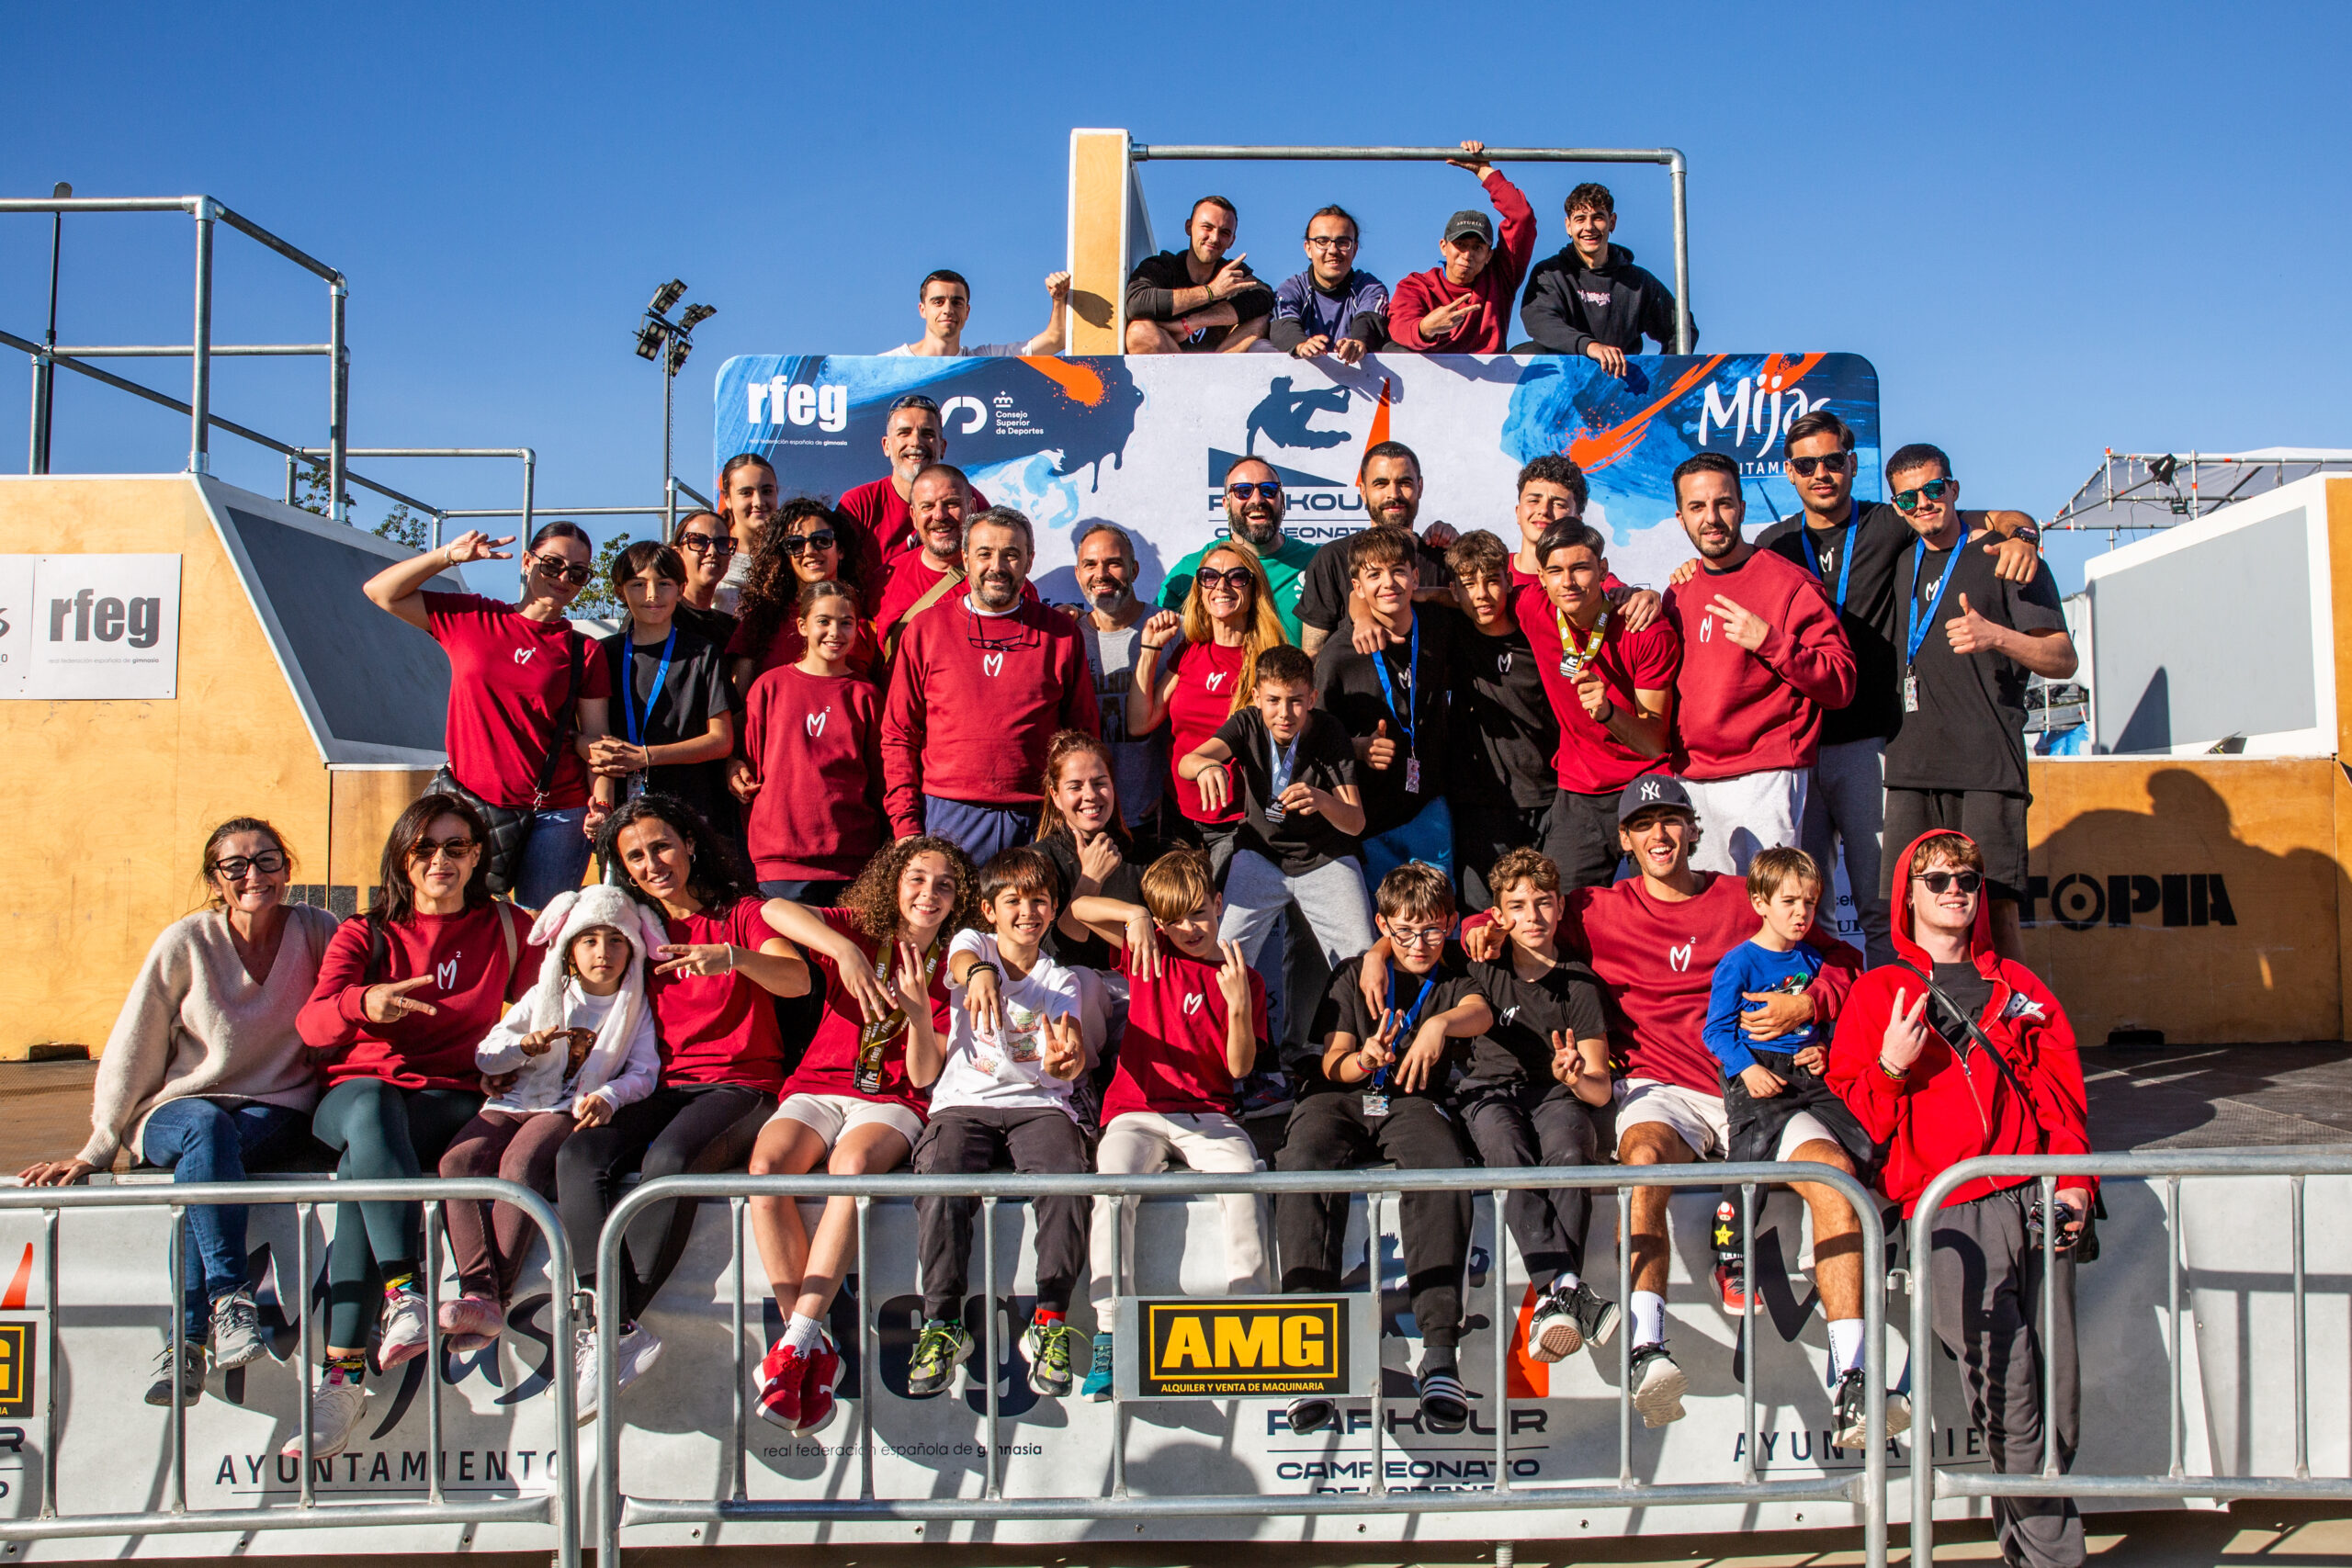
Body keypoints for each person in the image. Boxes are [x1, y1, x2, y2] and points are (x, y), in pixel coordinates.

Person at [1556, 779, 1862, 1431]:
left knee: (1833, 1173)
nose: (1659, 836)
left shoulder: (1739, 898)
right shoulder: (1593, 909)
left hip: (1757, 1085)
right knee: (1641, 1162)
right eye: (1644, 824)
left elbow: (1842, 959)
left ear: (1694, 831)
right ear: (1624, 840)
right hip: (1661, 1089)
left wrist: (1811, 1002)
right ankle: (1647, 1349)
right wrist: (1470, 931)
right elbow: (1508, 917)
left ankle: (1855, 1377)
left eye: (1671, 821)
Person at [1827, 829, 2094, 1568]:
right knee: (2007, 1393)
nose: (1955, 890)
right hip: (1951, 1214)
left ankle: (2027, 1548)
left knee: (2059, 1395)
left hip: (2036, 1198)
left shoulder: (2023, 987)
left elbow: (2065, 1102)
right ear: (1907, 894)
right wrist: (1889, 1064)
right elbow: (1861, 1125)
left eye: (1969, 879)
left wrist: (2074, 1182)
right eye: (1938, 877)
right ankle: (2056, 1559)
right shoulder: (1880, 991)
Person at [21, 819, 337, 1408]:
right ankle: (228, 1297)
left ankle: (187, 1343)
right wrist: (100, 1144)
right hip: (178, 1109)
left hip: (273, 1107)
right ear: (216, 882)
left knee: (211, 1153)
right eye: (235, 866)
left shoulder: (319, 929)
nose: (253, 876)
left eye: (266, 860)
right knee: (204, 1131)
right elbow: (133, 1045)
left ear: (288, 868)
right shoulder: (186, 940)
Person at [292, 795, 543, 1457]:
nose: (441, 860)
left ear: (478, 856)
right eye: (425, 848)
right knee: (373, 1111)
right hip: (356, 1094)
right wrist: (363, 1000)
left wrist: (519, 1052)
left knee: (362, 1173)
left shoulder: (509, 927)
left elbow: (563, 994)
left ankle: (342, 1377)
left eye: (456, 846)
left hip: (451, 1097)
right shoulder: (366, 933)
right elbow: (313, 1024)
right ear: (402, 858)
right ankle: (404, 1292)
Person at [1751, 411, 2046, 966]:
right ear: (1789, 473)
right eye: (1807, 464)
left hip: (1875, 748)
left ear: (1852, 465)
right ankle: (1826, 1029)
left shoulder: (1893, 519)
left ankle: (1900, 1031)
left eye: (1833, 461)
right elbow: (1724, 572)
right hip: (1798, 746)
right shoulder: (1774, 543)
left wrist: (2024, 534)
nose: (1822, 473)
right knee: (1800, 907)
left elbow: (1999, 517)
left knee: (1885, 907)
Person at [563, 795, 805, 1420]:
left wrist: (733, 957)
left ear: (691, 843)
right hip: (659, 1083)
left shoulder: (741, 914)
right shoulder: (636, 928)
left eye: (662, 845)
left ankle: (614, 1322)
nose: (653, 862)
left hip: (741, 1086)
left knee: (668, 1160)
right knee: (578, 1154)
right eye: (635, 856)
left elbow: (796, 977)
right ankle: (610, 1325)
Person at [752, 838, 978, 1431]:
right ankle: (804, 1340)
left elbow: (926, 1076)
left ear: (958, 899)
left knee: (851, 1166)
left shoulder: (957, 962)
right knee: (765, 1168)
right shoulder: (858, 928)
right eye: (917, 879)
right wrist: (841, 953)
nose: (929, 893)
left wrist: (920, 1015)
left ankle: (797, 1343)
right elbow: (770, 910)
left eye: (944, 884)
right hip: (818, 1084)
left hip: (894, 1099)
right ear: (893, 883)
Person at [1278, 862, 1490, 1437]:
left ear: (1448, 925)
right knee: (1301, 1166)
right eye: (1404, 932)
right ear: (1382, 926)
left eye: (1430, 931)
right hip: (1342, 1096)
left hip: (1410, 1100)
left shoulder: (1454, 973)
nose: (1419, 944)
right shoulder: (1354, 973)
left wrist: (1437, 1024)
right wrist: (1366, 1058)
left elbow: (1482, 1010)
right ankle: (1303, 1357)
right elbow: (1332, 1059)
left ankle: (1441, 1355)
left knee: (1441, 1170)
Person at [1069, 849, 1272, 1401]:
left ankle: (1248, 1326)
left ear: (1218, 904)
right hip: (1137, 1111)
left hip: (1208, 1113)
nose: (1190, 928)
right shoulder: (1149, 949)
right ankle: (1111, 1333)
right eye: (1176, 919)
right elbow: (1081, 909)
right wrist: (1134, 917)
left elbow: (1239, 1069)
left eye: (1200, 914)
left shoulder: (1243, 978)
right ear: (1161, 923)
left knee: (1244, 1181)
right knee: (1112, 1184)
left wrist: (1235, 1007)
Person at [436, 885, 662, 1348]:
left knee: (521, 1165)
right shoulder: (547, 992)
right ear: (569, 947)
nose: (604, 952)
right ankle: (480, 1292)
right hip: (516, 1098)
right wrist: (523, 1047)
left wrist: (609, 1095)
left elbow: (644, 1071)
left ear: (634, 946)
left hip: (567, 1108)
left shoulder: (636, 1005)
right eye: (590, 940)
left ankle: (488, 1301)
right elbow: (488, 1054)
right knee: (457, 1163)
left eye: (616, 940)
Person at [904, 847, 1092, 1400]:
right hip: (965, 1101)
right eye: (1012, 900)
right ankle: (942, 1323)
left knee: (1065, 1181)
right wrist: (982, 974)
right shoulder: (973, 944)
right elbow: (961, 961)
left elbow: (1071, 1043)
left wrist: (1068, 1060)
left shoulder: (1061, 979)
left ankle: (1051, 1321)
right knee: (940, 1177)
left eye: (1039, 901)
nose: (1026, 911)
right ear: (989, 910)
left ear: (1055, 909)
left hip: (1038, 1104)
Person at [1879, 445, 2076, 961]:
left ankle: (2014, 1033)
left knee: (1994, 905)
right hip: (1911, 764)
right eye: (1908, 496)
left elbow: (2062, 658)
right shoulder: (1900, 561)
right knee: (1910, 908)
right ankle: (1922, 1033)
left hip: (1987, 764)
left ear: (1955, 490)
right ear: (1896, 504)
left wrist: (1997, 637)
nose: (1923, 503)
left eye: (1933, 489)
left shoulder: (2004, 555)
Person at [363, 524, 614, 909]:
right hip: (469, 807)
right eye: (553, 564)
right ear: (527, 562)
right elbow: (381, 592)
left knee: (540, 932)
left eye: (578, 572)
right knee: (456, 917)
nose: (564, 578)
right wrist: (449, 555)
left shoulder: (584, 651)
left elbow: (597, 739)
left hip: (557, 814)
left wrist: (601, 806)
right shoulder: (473, 617)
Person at [1657, 453, 1854, 875]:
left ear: (1742, 508)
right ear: (1680, 517)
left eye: (1723, 503)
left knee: (1767, 919)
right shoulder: (1678, 591)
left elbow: (1840, 683)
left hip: (1765, 776)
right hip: (1691, 781)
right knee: (1710, 920)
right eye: (1697, 507)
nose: (1711, 518)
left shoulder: (1789, 585)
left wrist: (1770, 642)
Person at [1456, 849, 1618, 1360]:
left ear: (1561, 908)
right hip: (1488, 1093)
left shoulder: (1580, 983)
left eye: (1543, 903)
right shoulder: (1481, 968)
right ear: (1498, 916)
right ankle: (1566, 1286)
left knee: (1571, 1152)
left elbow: (1601, 1088)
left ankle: (1554, 1297)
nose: (1534, 917)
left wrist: (1575, 1075)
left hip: (1554, 1093)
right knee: (1507, 1150)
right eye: (1519, 906)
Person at [882, 506, 1101, 865]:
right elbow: (899, 734)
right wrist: (906, 827)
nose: (997, 566)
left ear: (1030, 561)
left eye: (1011, 554)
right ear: (966, 557)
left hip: (1039, 818)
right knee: (954, 922)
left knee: (1039, 923)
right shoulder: (925, 630)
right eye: (984, 553)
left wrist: (1075, 816)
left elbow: (1082, 736)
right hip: (949, 814)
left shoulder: (1060, 633)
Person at [1180, 642, 1374, 1015]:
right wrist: (1207, 767)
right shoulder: (1247, 723)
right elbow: (1190, 760)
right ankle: (1223, 1059)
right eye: (1273, 700)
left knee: (1363, 963)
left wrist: (1321, 800)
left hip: (1325, 859)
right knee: (1224, 959)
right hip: (1260, 855)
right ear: (1256, 697)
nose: (1284, 713)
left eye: (1296, 701)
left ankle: (1360, 1058)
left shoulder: (1330, 731)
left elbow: (1355, 822)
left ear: (1313, 697)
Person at [1520, 521, 1679, 889]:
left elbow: (1655, 741)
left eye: (1580, 568)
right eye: (1556, 571)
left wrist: (1609, 713)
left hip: (1646, 784)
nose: (1568, 582)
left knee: (1666, 902)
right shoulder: (1532, 607)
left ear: (1603, 571)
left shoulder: (1646, 630)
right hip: (1580, 791)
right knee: (1561, 912)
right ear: (1541, 577)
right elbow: (1473, 598)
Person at [1312, 528, 1460, 886]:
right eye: (1373, 574)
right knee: (1385, 927)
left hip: (1429, 808)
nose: (1388, 583)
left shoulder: (1440, 629)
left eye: (1397, 570)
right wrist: (1357, 748)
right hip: (1369, 820)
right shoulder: (1339, 654)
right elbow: (1313, 738)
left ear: (1415, 577)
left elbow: (1472, 602)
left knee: (1436, 922)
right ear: (1357, 588)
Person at [1128, 544, 1285, 863]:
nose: (1221, 586)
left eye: (1237, 577)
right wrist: (1149, 650)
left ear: (1255, 588)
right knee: (1181, 913)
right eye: (1209, 577)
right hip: (1180, 818)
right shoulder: (1189, 651)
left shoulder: (1272, 660)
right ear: (1199, 589)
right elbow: (1139, 723)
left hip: (1241, 823)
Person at [732, 580, 885, 902]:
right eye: (824, 621)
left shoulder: (866, 695)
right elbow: (751, 766)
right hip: (781, 863)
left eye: (846, 623)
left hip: (852, 862)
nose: (835, 632)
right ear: (802, 626)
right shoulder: (769, 687)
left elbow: (879, 780)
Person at [1442, 530, 1560, 910]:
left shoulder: (1540, 633)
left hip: (1548, 799)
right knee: (1483, 918)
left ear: (1510, 580)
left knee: (1547, 914)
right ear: (1454, 591)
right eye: (1468, 584)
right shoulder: (1450, 633)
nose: (1482, 594)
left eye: (1492, 581)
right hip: (1478, 808)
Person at [591, 541, 737, 836]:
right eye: (638, 584)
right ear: (620, 591)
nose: (652, 594)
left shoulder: (702, 653)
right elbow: (595, 741)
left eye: (664, 583)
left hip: (692, 813)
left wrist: (645, 756)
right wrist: (602, 806)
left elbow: (721, 741)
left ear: (681, 589)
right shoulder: (602, 653)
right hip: (622, 816)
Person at [1294, 442, 1457, 655]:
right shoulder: (1332, 558)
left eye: (1404, 482)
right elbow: (1313, 653)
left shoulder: (1443, 556)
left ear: (1420, 487)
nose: (1393, 494)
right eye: (1381, 484)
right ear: (1363, 491)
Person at [1519, 182, 1692, 373]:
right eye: (1580, 219)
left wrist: (1660, 374)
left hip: (1619, 385)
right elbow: (1540, 322)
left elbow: (1684, 330)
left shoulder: (1638, 282)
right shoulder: (1550, 273)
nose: (1589, 227)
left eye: (1598, 217)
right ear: (1568, 226)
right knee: (1522, 354)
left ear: (1612, 222)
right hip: (1562, 383)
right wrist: (1590, 347)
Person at [1387, 141, 1536, 355]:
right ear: (1443, 247)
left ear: (1489, 255)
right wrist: (1426, 328)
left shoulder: (1500, 278)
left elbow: (1522, 217)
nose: (1467, 255)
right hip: (1430, 382)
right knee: (1392, 349)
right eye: (1460, 245)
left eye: (1477, 247)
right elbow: (1398, 328)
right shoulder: (1416, 286)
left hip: (1491, 383)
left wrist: (1484, 171)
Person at [1161, 457, 1320, 643]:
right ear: (1226, 504)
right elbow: (1157, 635)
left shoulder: (1318, 561)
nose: (1257, 499)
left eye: (1268, 490)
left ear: (1282, 500)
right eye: (1243, 491)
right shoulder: (1193, 569)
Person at [1070, 522, 1164, 835]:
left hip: (1153, 818)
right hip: (1083, 818)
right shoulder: (1065, 638)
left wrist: (1174, 790)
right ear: (1077, 574)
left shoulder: (1171, 633)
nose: (1101, 574)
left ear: (1134, 570)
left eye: (1113, 563)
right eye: (1090, 565)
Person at [1032, 729, 1148, 974]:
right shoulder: (1038, 861)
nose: (1090, 795)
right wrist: (1090, 880)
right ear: (1055, 796)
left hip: (1132, 991)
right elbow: (1049, 958)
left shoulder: (1146, 856)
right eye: (1075, 787)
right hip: (1067, 995)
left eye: (1100, 784)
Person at [728, 498, 878, 683]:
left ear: (841, 550)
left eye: (822, 540)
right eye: (795, 544)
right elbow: (740, 704)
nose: (809, 551)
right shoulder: (761, 620)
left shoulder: (867, 619)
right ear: (784, 555)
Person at [838, 396, 988, 570]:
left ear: (943, 447)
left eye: (928, 434)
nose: (916, 442)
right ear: (886, 446)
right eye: (904, 433)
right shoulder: (859, 505)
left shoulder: (968, 498)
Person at [1123, 196, 1274, 355]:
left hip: (1218, 370)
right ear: (1189, 227)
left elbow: (1265, 296)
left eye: (1224, 232)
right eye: (1207, 227)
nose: (1215, 238)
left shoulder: (1232, 272)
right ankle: (1192, 378)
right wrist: (1211, 292)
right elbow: (1136, 302)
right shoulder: (1163, 266)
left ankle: (1208, 375)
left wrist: (1190, 324)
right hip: (1172, 370)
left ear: (1232, 241)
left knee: (1260, 321)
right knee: (1139, 331)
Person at [876, 463, 979, 652]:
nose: (939, 515)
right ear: (914, 516)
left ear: (971, 508)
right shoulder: (882, 582)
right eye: (927, 506)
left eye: (951, 504)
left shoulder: (1000, 581)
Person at [1268, 206, 1388, 362]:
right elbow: (1283, 324)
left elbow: (1369, 320)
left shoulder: (1370, 288)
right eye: (1322, 241)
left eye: (1343, 242)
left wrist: (1359, 343)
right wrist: (1300, 345)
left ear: (1355, 249)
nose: (1332, 250)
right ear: (1308, 248)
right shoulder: (1291, 288)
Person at [882, 267, 1071, 357]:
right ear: (922, 310)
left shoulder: (984, 361)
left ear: (967, 311)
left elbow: (1056, 340)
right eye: (938, 302)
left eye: (956, 302)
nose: (947, 310)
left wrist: (1059, 298)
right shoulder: (890, 363)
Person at [715, 454, 782, 614]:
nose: (759, 502)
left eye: (766, 491)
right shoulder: (711, 555)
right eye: (746, 493)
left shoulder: (793, 554)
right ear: (728, 498)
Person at [670, 510, 741, 642]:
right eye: (698, 541)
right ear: (677, 554)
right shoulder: (658, 617)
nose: (712, 551)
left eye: (722, 543)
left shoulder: (732, 629)